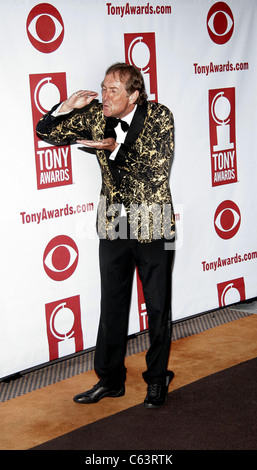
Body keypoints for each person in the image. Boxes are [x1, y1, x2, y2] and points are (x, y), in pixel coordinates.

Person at [36, 62, 175, 408]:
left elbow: (157, 166)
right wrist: (66, 107)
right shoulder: (98, 114)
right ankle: (110, 380)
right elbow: (46, 133)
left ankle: (157, 379)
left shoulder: (159, 116)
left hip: (152, 220)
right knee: (111, 305)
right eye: (103, 87)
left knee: (157, 307)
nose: (105, 95)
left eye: (113, 90)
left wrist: (113, 148)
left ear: (135, 95)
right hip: (114, 222)